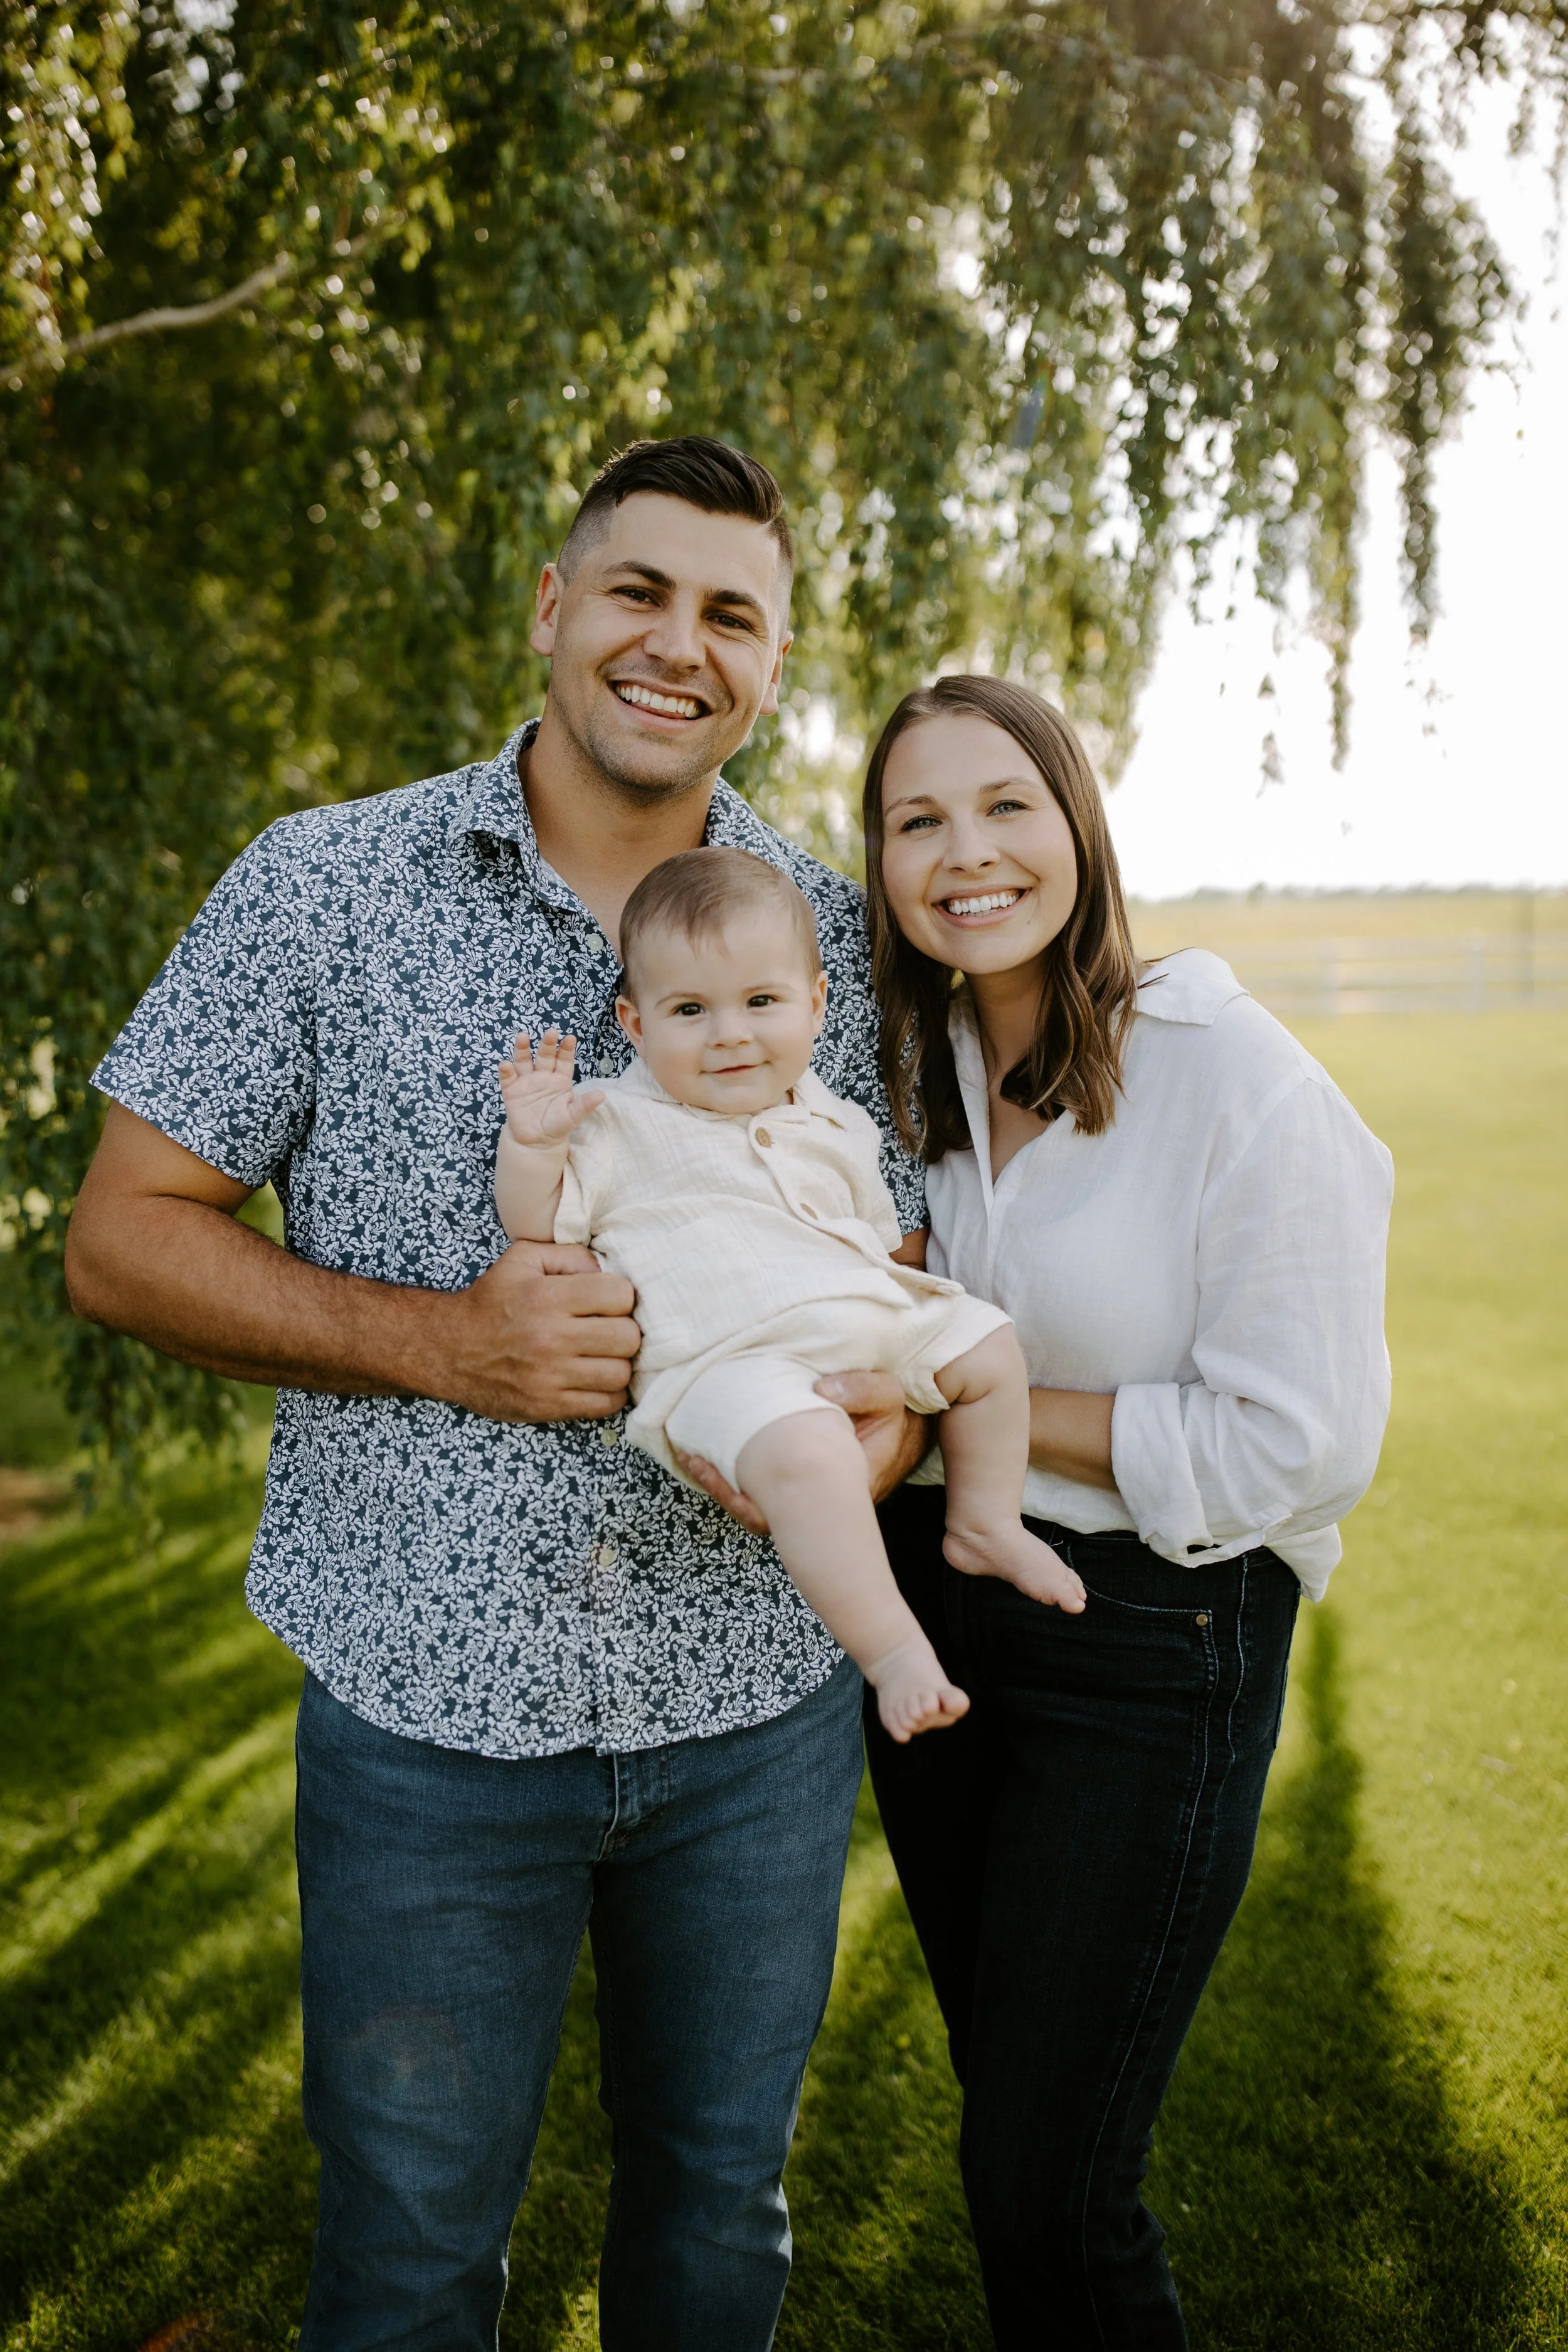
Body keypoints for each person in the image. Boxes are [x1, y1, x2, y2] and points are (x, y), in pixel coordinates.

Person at [61, 437, 933, 2352]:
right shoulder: (324, 881)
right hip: (423, 1719)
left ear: (771, 664)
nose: (674, 644)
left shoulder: (839, 947)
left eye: (730, 614)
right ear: (554, 609)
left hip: (752, 1713)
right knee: (410, 2251)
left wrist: (861, 1442)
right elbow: (120, 1236)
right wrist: (444, 1340)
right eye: (636, 590)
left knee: (717, 2226)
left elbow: (907, 1293)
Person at [859, 672, 1394, 2347]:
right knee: (1008, 2114)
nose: (965, 853)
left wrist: (979, 1383)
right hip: (936, 1629)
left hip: (1152, 1634)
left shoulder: (1228, 1073)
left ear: (1076, 818)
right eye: (914, 819)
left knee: (1053, 2176)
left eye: (1005, 803)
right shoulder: (910, 1064)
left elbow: (1299, 1442)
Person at [494, 845, 1086, 1743]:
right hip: (731, 1365)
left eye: (761, 1003)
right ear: (635, 1022)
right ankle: (894, 1655)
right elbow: (538, 1224)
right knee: (814, 1460)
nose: (730, 1033)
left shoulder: (836, 1118)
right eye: (690, 1010)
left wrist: (910, 1335)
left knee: (988, 1347)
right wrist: (533, 1146)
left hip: (862, 1317)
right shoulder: (615, 1121)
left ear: (815, 1004)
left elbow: (880, 1242)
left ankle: (982, 1519)